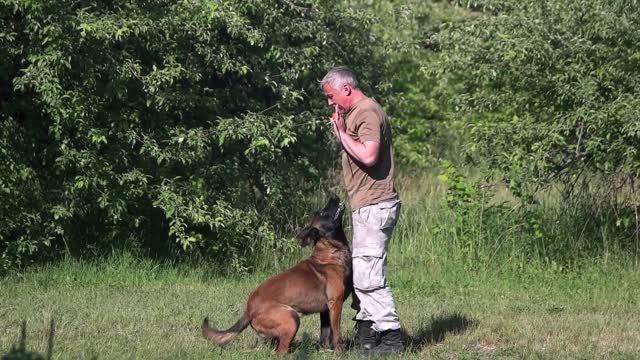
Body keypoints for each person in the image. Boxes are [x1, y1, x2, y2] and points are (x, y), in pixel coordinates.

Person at [321, 66, 404, 354]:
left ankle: (391, 339)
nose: (330, 103)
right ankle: (367, 334)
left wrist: (342, 134)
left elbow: (368, 155)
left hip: (375, 203)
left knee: (369, 276)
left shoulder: (367, 111)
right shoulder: (353, 112)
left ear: (346, 88)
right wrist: (342, 128)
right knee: (361, 273)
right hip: (365, 204)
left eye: (331, 96)